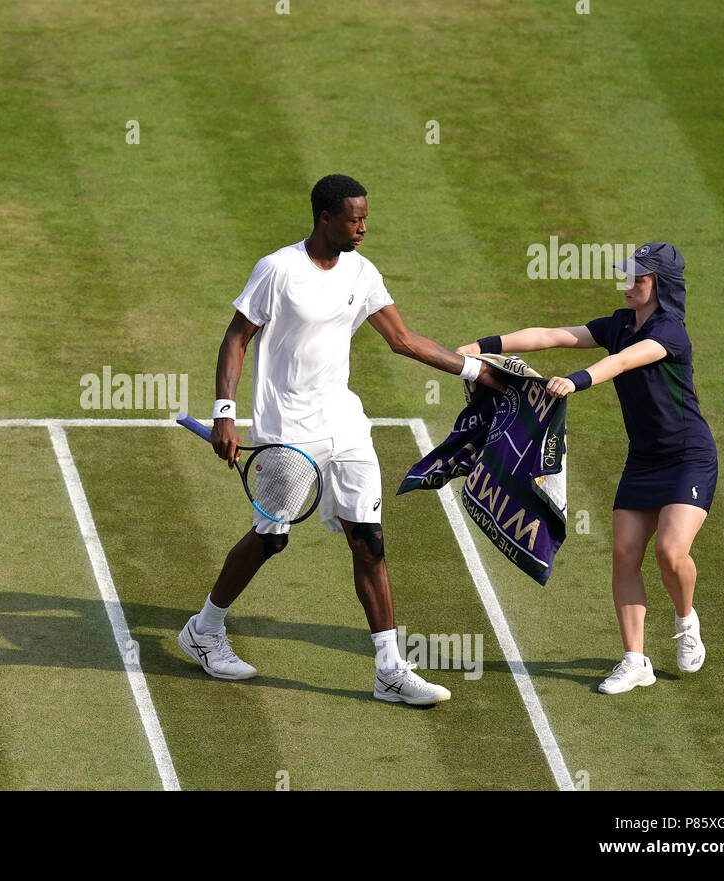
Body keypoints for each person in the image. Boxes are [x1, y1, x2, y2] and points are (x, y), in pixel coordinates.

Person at [179, 174, 502, 705]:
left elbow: (402, 339)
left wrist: (473, 371)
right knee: (271, 537)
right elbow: (237, 337)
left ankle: (389, 670)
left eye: (365, 217)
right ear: (325, 218)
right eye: (354, 219)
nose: (364, 228)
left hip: (345, 424)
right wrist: (225, 414)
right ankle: (203, 629)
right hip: (288, 430)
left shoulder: (360, 270)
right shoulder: (278, 270)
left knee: (369, 542)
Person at [458, 242, 714, 694]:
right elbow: (551, 334)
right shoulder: (618, 323)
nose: (629, 283)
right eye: (628, 274)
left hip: (688, 458)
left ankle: (685, 621)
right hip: (644, 459)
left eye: (640, 277)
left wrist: (575, 381)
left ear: (662, 285)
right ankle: (635, 660)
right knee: (624, 554)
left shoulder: (670, 331)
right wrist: (478, 348)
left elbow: (623, 361)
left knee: (671, 553)